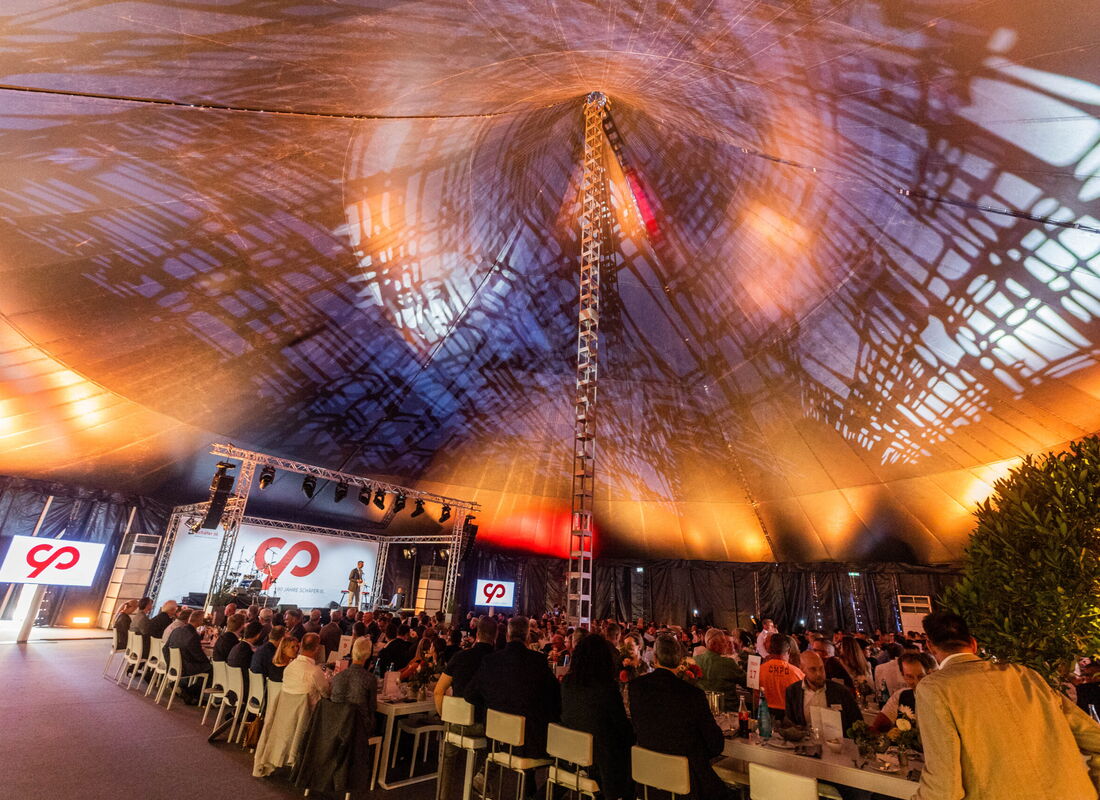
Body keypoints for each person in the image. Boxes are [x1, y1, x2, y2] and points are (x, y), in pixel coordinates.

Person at [913, 612, 1100, 800]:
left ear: (930, 646)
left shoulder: (935, 688)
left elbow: (944, 788)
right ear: (973, 643)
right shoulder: (1026, 675)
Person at [629, 634, 731, 800]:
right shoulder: (692, 694)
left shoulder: (636, 687)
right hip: (689, 786)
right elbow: (716, 745)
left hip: (648, 782)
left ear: (655, 658)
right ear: (679, 661)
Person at [466, 616, 561, 762]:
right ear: (527, 637)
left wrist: (491, 705)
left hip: (495, 735)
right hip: (529, 740)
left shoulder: (491, 660)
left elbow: (470, 694)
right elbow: (555, 696)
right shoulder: (538, 661)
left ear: (507, 636)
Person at [561, 634, 634, 800]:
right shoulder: (606, 688)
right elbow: (622, 728)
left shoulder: (567, 682)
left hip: (569, 755)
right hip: (599, 763)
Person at [783, 650, 862, 733]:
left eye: (821, 668)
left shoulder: (841, 692)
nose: (819, 674)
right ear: (802, 669)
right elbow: (790, 725)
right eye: (813, 669)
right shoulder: (793, 692)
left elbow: (858, 723)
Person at [870, 652, 935, 732]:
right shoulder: (900, 695)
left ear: (929, 674)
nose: (916, 682)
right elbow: (879, 726)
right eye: (910, 677)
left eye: (921, 676)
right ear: (902, 675)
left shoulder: (938, 696)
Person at [163, 609, 213, 705]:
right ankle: (190, 693)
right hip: (184, 667)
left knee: (206, 666)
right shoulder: (193, 635)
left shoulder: (177, 630)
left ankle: (183, 687)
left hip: (174, 665)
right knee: (210, 668)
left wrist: (170, 663)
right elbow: (199, 656)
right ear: (199, 621)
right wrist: (207, 661)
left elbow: (165, 648)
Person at [331, 636, 377, 734]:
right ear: (368, 655)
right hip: (359, 729)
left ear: (352, 652)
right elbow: (372, 708)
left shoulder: (337, 677)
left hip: (336, 726)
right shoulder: (370, 679)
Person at [759, 633, 804, 720]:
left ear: (770, 650)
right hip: (789, 718)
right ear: (789, 651)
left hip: (764, 715)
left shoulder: (760, 670)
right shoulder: (797, 673)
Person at [695, 628, 745, 707]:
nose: (725, 644)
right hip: (728, 709)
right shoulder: (727, 663)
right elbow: (747, 682)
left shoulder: (695, 661)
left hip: (703, 707)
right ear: (714, 644)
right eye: (723, 641)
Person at [283, 633, 330, 707]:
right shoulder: (315, 672)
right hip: (310, 711)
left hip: (288, 709)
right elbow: (327, 693)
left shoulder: (288, 668)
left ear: (301, 646)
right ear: (317, 648)